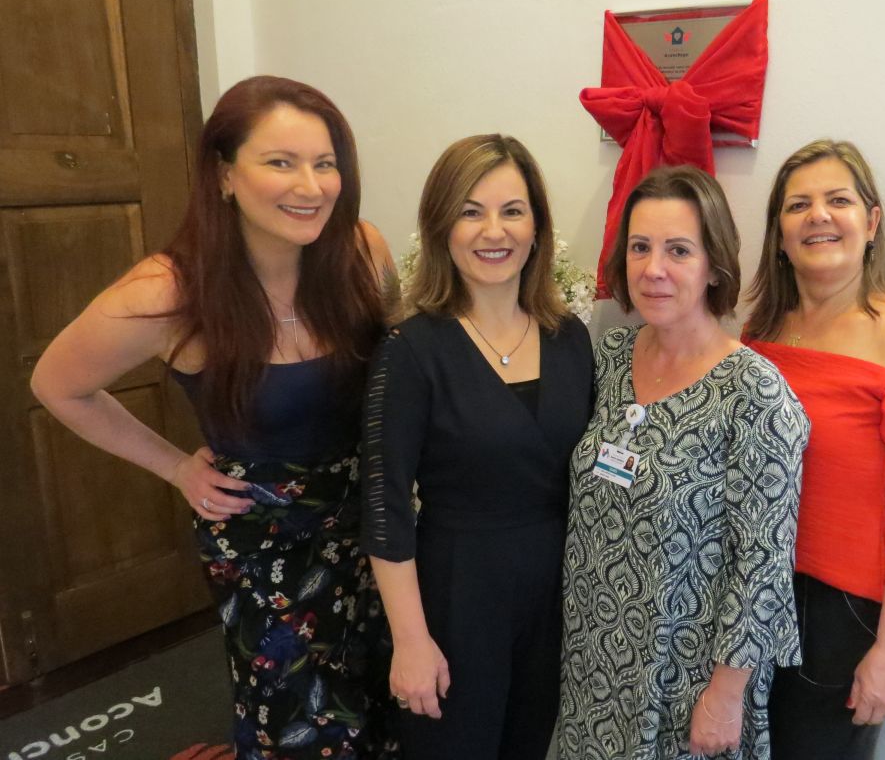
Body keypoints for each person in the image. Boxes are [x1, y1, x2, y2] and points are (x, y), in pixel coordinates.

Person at [30, 75, 400, 759]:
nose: (311, 186)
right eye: (281, 162)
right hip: (262, 543)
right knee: (296, 724)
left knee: (385, 697)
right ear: (225, 175)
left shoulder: (362, 252)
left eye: (325, 164)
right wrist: (176, 467)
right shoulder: (168, 291)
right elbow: (57, 385)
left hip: (372, 521)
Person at [559, 166, 808, 759]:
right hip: (592, 662)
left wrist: (725, 694)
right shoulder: (609, 357)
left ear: (714, 264)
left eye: (678, 250)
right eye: (640, 247)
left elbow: (764, 562)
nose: (654, 269)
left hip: (689, 676)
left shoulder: (754, 392)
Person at [360, 134, 593, 759]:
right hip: (456, 593)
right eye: (471, 211)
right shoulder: (411, 350)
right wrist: (411, 641)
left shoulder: (569, 337)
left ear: (537, 227)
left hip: (553, 597)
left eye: (512, 211)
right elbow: (383, 504)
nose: (494, 231)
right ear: (441, 227)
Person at [743, 139, 885, 759]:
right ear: (780, 233)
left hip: (837, 615)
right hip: (748, 593)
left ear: (871, 222)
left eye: (838, 200)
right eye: (798, 205)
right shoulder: (762, 330)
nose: (818, 215)